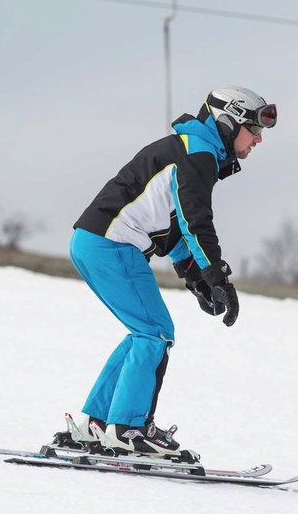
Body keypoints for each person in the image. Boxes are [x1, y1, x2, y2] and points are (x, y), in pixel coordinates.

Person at [69, 86, 277, 456]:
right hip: (113, 243)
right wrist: (218, 277)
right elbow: (197, 221)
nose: (258, 139)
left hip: (95, 242)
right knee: (154, 334)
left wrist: (194, 277)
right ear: (227, 123)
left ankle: (97, 424)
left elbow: (177, 224)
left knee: (143, 333)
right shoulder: (196, 154)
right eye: (253, 129)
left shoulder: (193, 150)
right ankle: (128, 428)